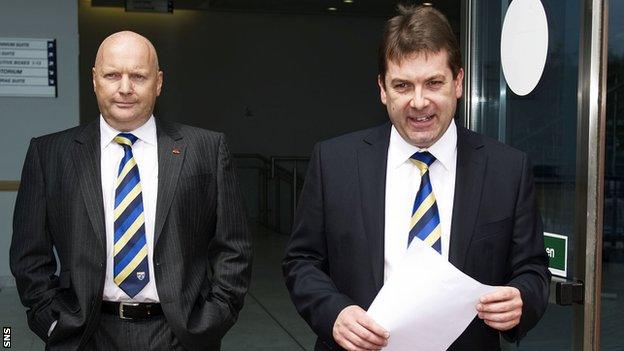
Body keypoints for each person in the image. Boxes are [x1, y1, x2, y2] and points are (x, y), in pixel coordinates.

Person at [282, 5, 550, 351]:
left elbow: (533, 270)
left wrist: (521, 300)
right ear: (382, 89)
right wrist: (334, 313)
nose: (419, 102)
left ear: (458, 83)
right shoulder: (334, 162)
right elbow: (301, 262)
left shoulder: (507, 169)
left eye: (434, 83)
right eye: (402, 85)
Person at [10, 31, 252, 351]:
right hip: (83, 335)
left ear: (159, 82)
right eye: (112, 75)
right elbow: (29, 255)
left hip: (180, 335)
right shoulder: (49, 153)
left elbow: (234, 246)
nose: (125, 88)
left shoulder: (206, 149)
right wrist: (50, 319)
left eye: (138, 76)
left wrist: (215, 317)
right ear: (95, 80)